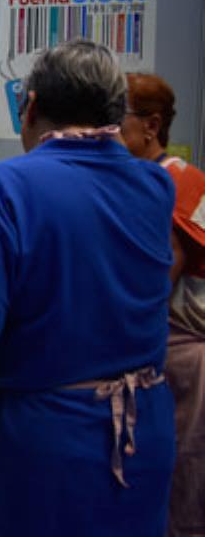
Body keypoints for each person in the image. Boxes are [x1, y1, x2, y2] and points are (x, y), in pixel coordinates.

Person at [0, 40, 176, 536]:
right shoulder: (155, 185)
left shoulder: (4, 187)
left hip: (37, 450)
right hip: (141, 435)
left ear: (30, 107)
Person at [121, 72, 205, 537]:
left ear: (151, 126)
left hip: (186, 353)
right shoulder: (147, 177)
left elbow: (160, 277)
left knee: (184, 469)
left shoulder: (178, 182)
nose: (109, 130)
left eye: (119, 119)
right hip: (164, 346)